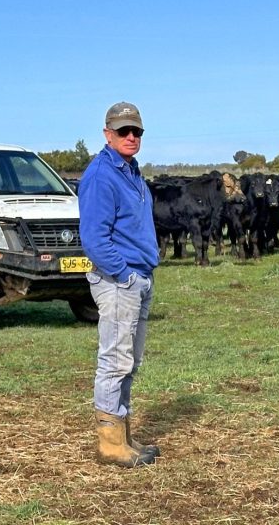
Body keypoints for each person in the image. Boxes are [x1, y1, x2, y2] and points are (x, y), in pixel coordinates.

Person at [77, 102, 160, 467]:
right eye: (124, 131)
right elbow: (94, 238)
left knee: (130, 359)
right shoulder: (101, 175)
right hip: (119, 280)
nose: (131, 137)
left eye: (136, 131)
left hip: (138, 277)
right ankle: (109, 444)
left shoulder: (130, 171)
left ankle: (122, 434)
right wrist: (125, 275)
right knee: (114, 359)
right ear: (107, 133)